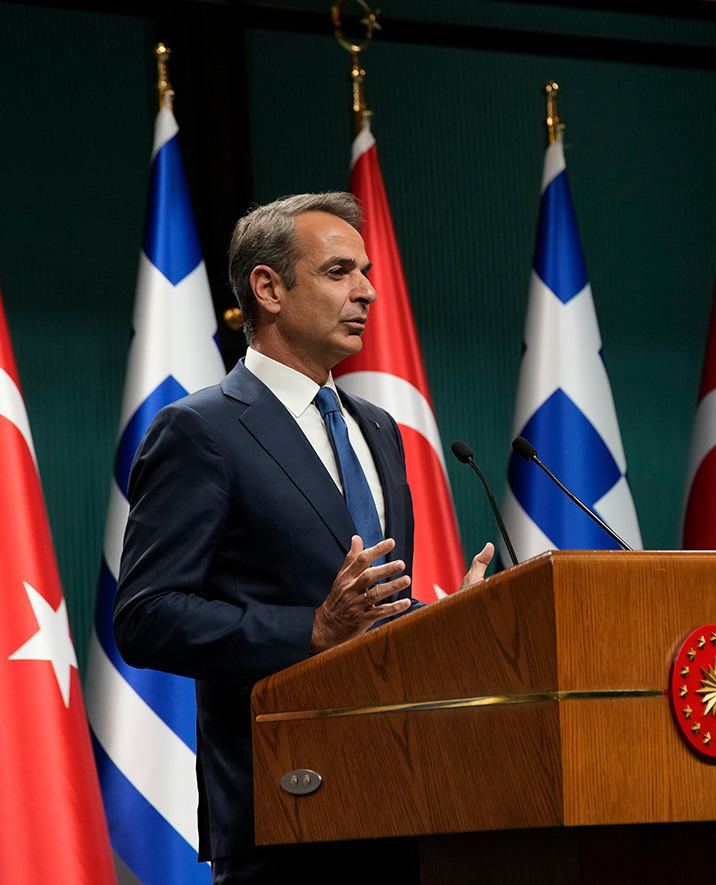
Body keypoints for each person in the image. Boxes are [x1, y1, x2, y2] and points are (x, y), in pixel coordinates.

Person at [114, 192, 493, 883]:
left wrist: (444, 625)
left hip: (405, 800)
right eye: (339, 271)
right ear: (269, 289)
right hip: (283, 812)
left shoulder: (378, 428)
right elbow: (146, 616)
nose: (367, 291)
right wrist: (310, 630)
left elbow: (372, 617)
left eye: (366, 272)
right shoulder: (200, 431)